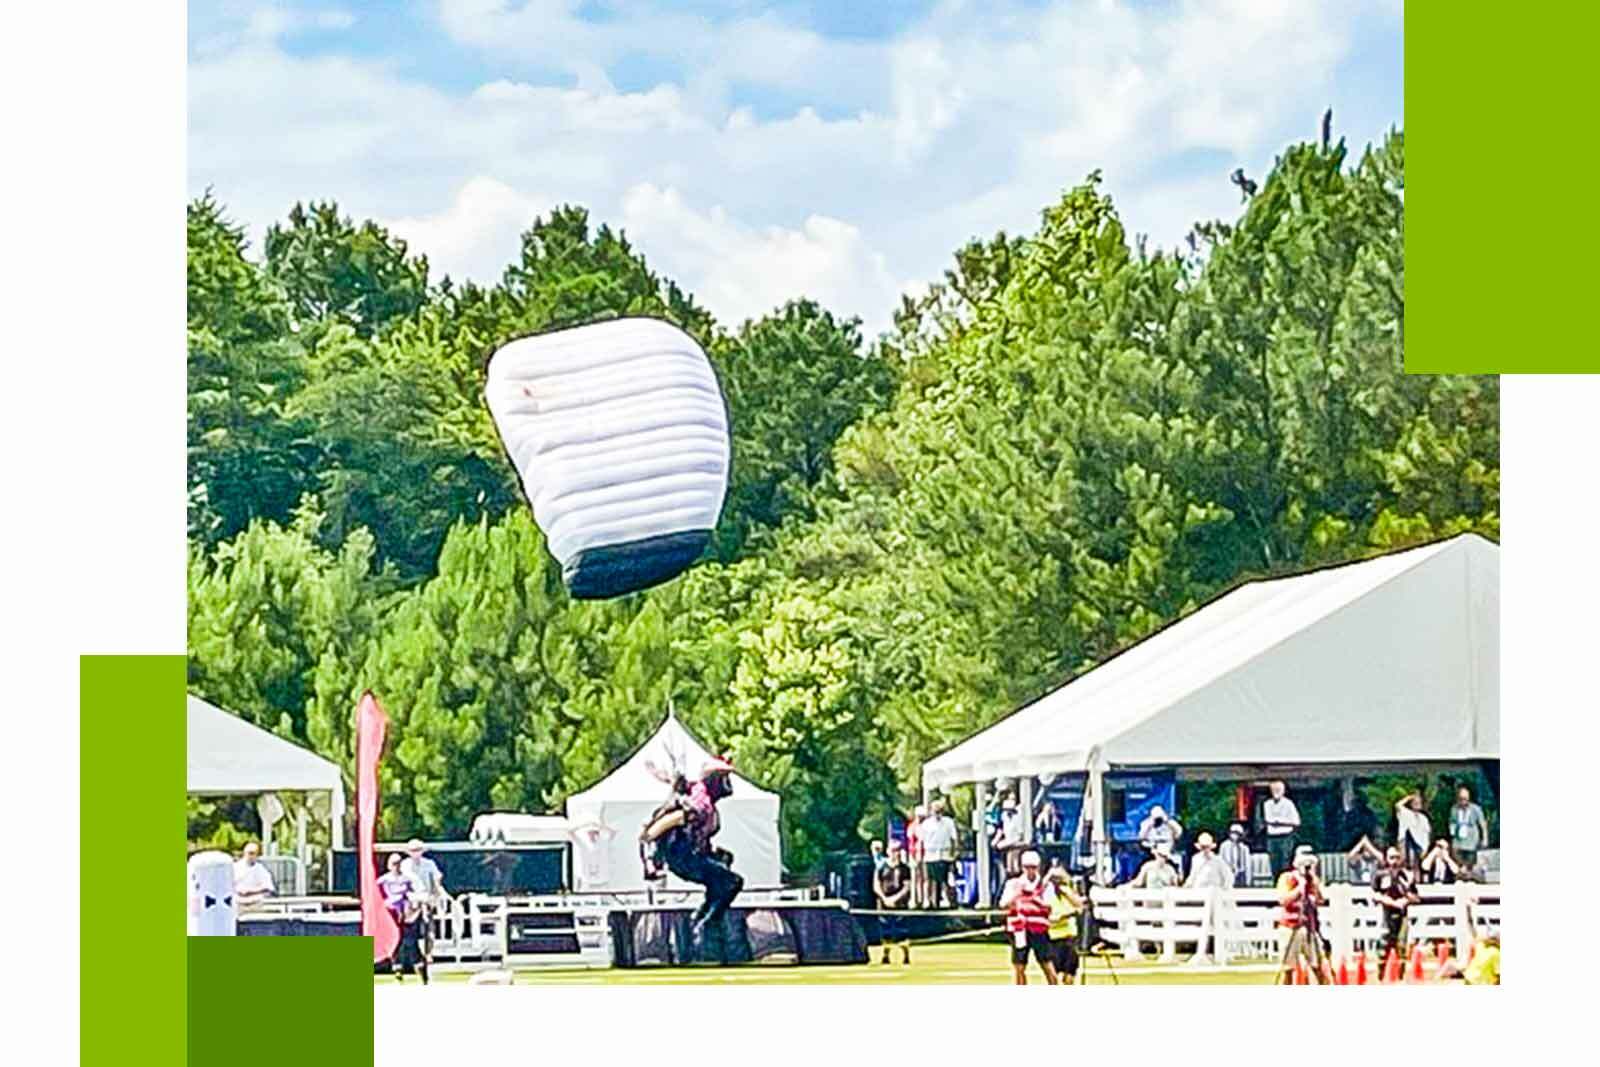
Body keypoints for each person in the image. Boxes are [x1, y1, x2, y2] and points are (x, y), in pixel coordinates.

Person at [640, 756, 745, 955]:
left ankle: (704, 917)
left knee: (721, 874)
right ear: (714, 781)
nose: (727, 784)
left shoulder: (700, 793)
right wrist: (651, 859)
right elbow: (657, 829)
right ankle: (704, 922)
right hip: (684, 859)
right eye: (723, 778)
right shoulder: (700, 804)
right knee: (733, 882)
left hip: (692, 856)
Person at [999, 850, 1058, 985]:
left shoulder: (1045, 885)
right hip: (1020, 929)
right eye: (1027, 867)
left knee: (1047, 964)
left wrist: (1034, 898)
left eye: (1033, 867)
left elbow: (1049, 907)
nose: (1030, 870)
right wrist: (1017, 894)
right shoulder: (1013, 884)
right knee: (1019, 966)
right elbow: (1003, 904)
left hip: (1039, 930)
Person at [1276, 845, 1329, 983]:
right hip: (1290, 927)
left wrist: (1314, 884)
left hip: (1309, 927)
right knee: (1288, 969)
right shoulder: (1287, 878)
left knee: (1318, 965)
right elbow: (1283, 899)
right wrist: (1299, 888)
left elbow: (1320, 900)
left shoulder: (1313, 880)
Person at [378, 853, 425, 983]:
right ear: (388, 865)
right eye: (393, 863)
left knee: (411, 942)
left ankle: (421, 973)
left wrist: (415, 906)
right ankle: (397, 972)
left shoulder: (407, 880)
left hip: (406, 914)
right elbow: (377, 896)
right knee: (394, 943)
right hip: (391, 914)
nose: (396, 866)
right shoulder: (383, 880)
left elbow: (415, 895)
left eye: (398, 863)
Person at [400, 839, 445, 970]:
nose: (416, 853)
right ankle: (414, 956)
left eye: (418, 850)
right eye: (413, 850)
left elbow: (437, 879)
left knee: (429, 927)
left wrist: (436, 895)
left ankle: (428, 953)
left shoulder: (429, 864)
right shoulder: (405, 865)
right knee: (411, 929)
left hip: (426, 897)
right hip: (411, 898)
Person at [1370, 845, 1418, 957]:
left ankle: (1400, 973)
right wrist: (1391, 902)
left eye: (1397, 857)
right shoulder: (1380, 875)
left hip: (1402, 915)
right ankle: (1381, 972)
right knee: (1383, 947)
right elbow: (1374, 895)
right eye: (1392, 857)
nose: (1395, 861)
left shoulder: (1406, 875)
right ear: (1386, 859)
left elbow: (1415, 896)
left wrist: (1405, 899)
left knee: (1401, 946)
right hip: (1385, 914)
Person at [873, 840, 913, 964]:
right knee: (885, 931)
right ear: (888, 851)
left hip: (900, 905)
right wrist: (885, 899)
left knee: (902, 930)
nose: (895, 853)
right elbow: (876, 885)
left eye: (897, 850)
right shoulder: (881, 868)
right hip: (883, 904)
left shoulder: (905, 868)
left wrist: (896, 899)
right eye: (893, 850)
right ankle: (885, 956)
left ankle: (906, 956)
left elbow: (907, 886)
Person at [1045, 862, 1085, 984]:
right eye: (1055, 879)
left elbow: (1079, 907)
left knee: (1069, 977)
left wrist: (1068, 893)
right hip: (1054, 939)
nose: (1058, 881)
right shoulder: (1046, 894)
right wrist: (1065, 915)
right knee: (1054, 978)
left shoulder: (1068, 892)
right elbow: (1051, 918)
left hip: (1070, 938)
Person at [920, 798, 959, 909]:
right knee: (929, 879)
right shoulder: (926, 824)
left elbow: (954, 838)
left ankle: (948, 901)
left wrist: (955, 852)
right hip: (930, 855)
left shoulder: (948, 822)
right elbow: (921, 841)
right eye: (935, 811)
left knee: (946, 879)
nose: (938, 813)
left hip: (944, 855)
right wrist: (920, 854)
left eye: (940, 811)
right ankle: (928, 901)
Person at [1261, 781, 1301, 876]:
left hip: (1285, 836)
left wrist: (1280, 823)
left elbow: (1296, 822)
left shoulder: (1288, 804)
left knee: (1285, 861)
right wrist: (1277, 822)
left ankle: (1286, 882)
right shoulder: (1267, 804)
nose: (1276, 791)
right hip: (1272, 836)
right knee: (1273, 861)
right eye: (1274, 789)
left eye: (1278, 789)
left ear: (1283, 791)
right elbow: (1268, 819)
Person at [1449, 786, 1490, 870]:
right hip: (1458, 841)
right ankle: (1460, 877)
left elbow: (1482, 824)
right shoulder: (1454, 809)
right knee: (1458, 862)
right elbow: (1452, 822)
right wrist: (1452, 831)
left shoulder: (1476, 809)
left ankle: (1469, 877)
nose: (1463, 800)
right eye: (1461, 798)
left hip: (1471, 841)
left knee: (1470, 863)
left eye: (1465, 798)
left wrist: (1485, 839)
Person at [1395, 792, 1431, 873]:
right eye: (1415, 802)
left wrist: (1425, 849)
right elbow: (1398, 805)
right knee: (1405, 863)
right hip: (1405, 843)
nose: (1417, 804)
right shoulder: (1405, 813)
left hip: (1419, 845)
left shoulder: (1424, 818)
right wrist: (1409, 797)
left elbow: (1426, 835)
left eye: (1419, 802)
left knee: (1416, 866)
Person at [233, 842, 275, 908]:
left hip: (256, 899)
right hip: (237, 899)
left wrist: (251, 891)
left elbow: (268, 887)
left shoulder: (261, 869)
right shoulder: (234, 867)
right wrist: (239, 891)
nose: (250, 856)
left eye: (252, 853)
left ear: (257, 855)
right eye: (248, 853)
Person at [1219, 822, 1252, 887]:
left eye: (1237, 833)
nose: (1235, 835)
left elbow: (1248, 865)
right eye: (1233, 833)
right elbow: (1220, 861)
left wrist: (1248, 880)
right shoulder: (1224, 846)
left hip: (1240, 875)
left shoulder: (1244, 847)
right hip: (1227, 873)